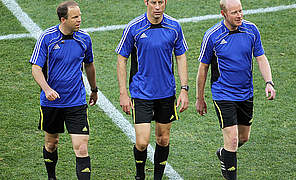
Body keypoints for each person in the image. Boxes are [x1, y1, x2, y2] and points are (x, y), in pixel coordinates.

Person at [196, 0, 276, 179]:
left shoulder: (251, 30)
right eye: (234, 13)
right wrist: (199, 98)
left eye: (241, 11)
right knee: (232, 139)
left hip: (245, 93)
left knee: (243, 138)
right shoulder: (212, 36)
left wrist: (269, 82)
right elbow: (203, 69)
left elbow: (261, 57)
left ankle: (225, 154)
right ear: (224, 14)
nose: (239, 15)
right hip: (223, 93)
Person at [115, 0, 189, 179]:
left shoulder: (174, 27)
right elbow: (121, 59)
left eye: (161, 2)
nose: (157, 6)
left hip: (166, 93)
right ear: (146, 2)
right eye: (154, 2)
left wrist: (184, 89)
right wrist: (123, 93)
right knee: (142, 142)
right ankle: (140, 175)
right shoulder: (134, 28)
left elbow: (181, 57)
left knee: (163, 139)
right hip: (141, 93)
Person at [29, 1, 98, 179]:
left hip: (76, 102)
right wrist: (47, 89)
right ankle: (52, 177)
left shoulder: (84, 38)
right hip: (52, 103)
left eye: (80, 16)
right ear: (63, 19)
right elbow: (36, 68)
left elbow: (89, 64)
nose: (79, 20)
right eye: (75, 17)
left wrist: (94, 89)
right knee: (51, 144)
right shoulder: (47, 38)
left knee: (82, 148)